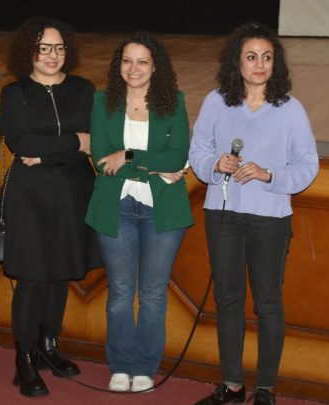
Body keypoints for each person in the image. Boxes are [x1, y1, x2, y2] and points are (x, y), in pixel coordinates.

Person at [189, 23, 319, 405]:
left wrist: (270, 174)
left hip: (270, 218)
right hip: (223, 215)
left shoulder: (290, 109)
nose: (259, 64)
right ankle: (232, 385)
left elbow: (308, 164)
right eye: (251, 57)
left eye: (267, 57)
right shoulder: (216, 102)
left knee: (267, 303)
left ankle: (265, 389)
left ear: (275, 63)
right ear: (237, 61)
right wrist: (217, 164)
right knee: (228, 301)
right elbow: (198, 153)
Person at [85, 31, 193, 393]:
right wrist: (154, 167)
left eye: (142, 61)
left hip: (162, 210)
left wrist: (129, 156)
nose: (134, 68)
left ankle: (145, 367)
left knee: (153, 294)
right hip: (115, 207)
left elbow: (177, 157)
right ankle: (120, 365)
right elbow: (102, 161)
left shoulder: (173, 102)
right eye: (127, 61)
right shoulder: (103, 102)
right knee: (119, 292)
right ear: (119, 65)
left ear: (155, 66)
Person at [0, 17, 102, 397]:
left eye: (58, 48)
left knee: (59, 274)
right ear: (29, 52)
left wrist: (46, 154)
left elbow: (94, 142)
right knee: (33, 277)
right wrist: (74, 141)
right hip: (30, 198)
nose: (52, 55)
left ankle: (48, 347)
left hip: (73, 193)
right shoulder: (14, 93)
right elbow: (20, 143)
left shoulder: (83, 89)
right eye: (44, 48)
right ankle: (24, 359)